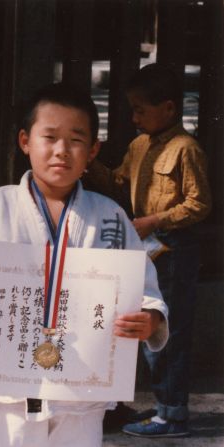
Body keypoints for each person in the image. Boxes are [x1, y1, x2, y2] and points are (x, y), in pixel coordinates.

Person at [0, 82, 169, 446]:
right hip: (6, 394)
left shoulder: (110, 217)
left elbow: (145, 289)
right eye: (49, 137)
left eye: (76, 140)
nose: (62, 151)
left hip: (81, 393)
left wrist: (150, 318)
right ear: (25, 142)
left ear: (93, 150)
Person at [84, 63, 211, 438]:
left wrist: (154, 220)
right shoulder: (139, 146)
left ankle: (173, 414)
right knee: (145, 327)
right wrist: (89, 162)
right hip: (146, 247)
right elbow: (118, 182)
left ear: (169, 108)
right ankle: (163, 408)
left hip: (174, 247)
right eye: (133, 108)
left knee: (168, 330)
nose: (134, 116)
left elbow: (200, 203)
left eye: (141, 109)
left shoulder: (187, 149)